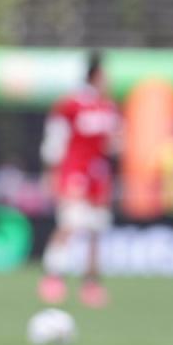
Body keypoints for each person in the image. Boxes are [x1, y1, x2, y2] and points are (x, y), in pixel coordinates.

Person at [38, 51, 121, 308]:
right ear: (95, 75)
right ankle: (53, 276)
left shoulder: (108, 107)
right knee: (69, 225)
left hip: (99, 177)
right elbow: (55, 139)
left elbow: (115, 143)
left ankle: (91, 283)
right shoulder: (71, 105)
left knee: (95, 230)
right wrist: (51, 172)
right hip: (74, 173)